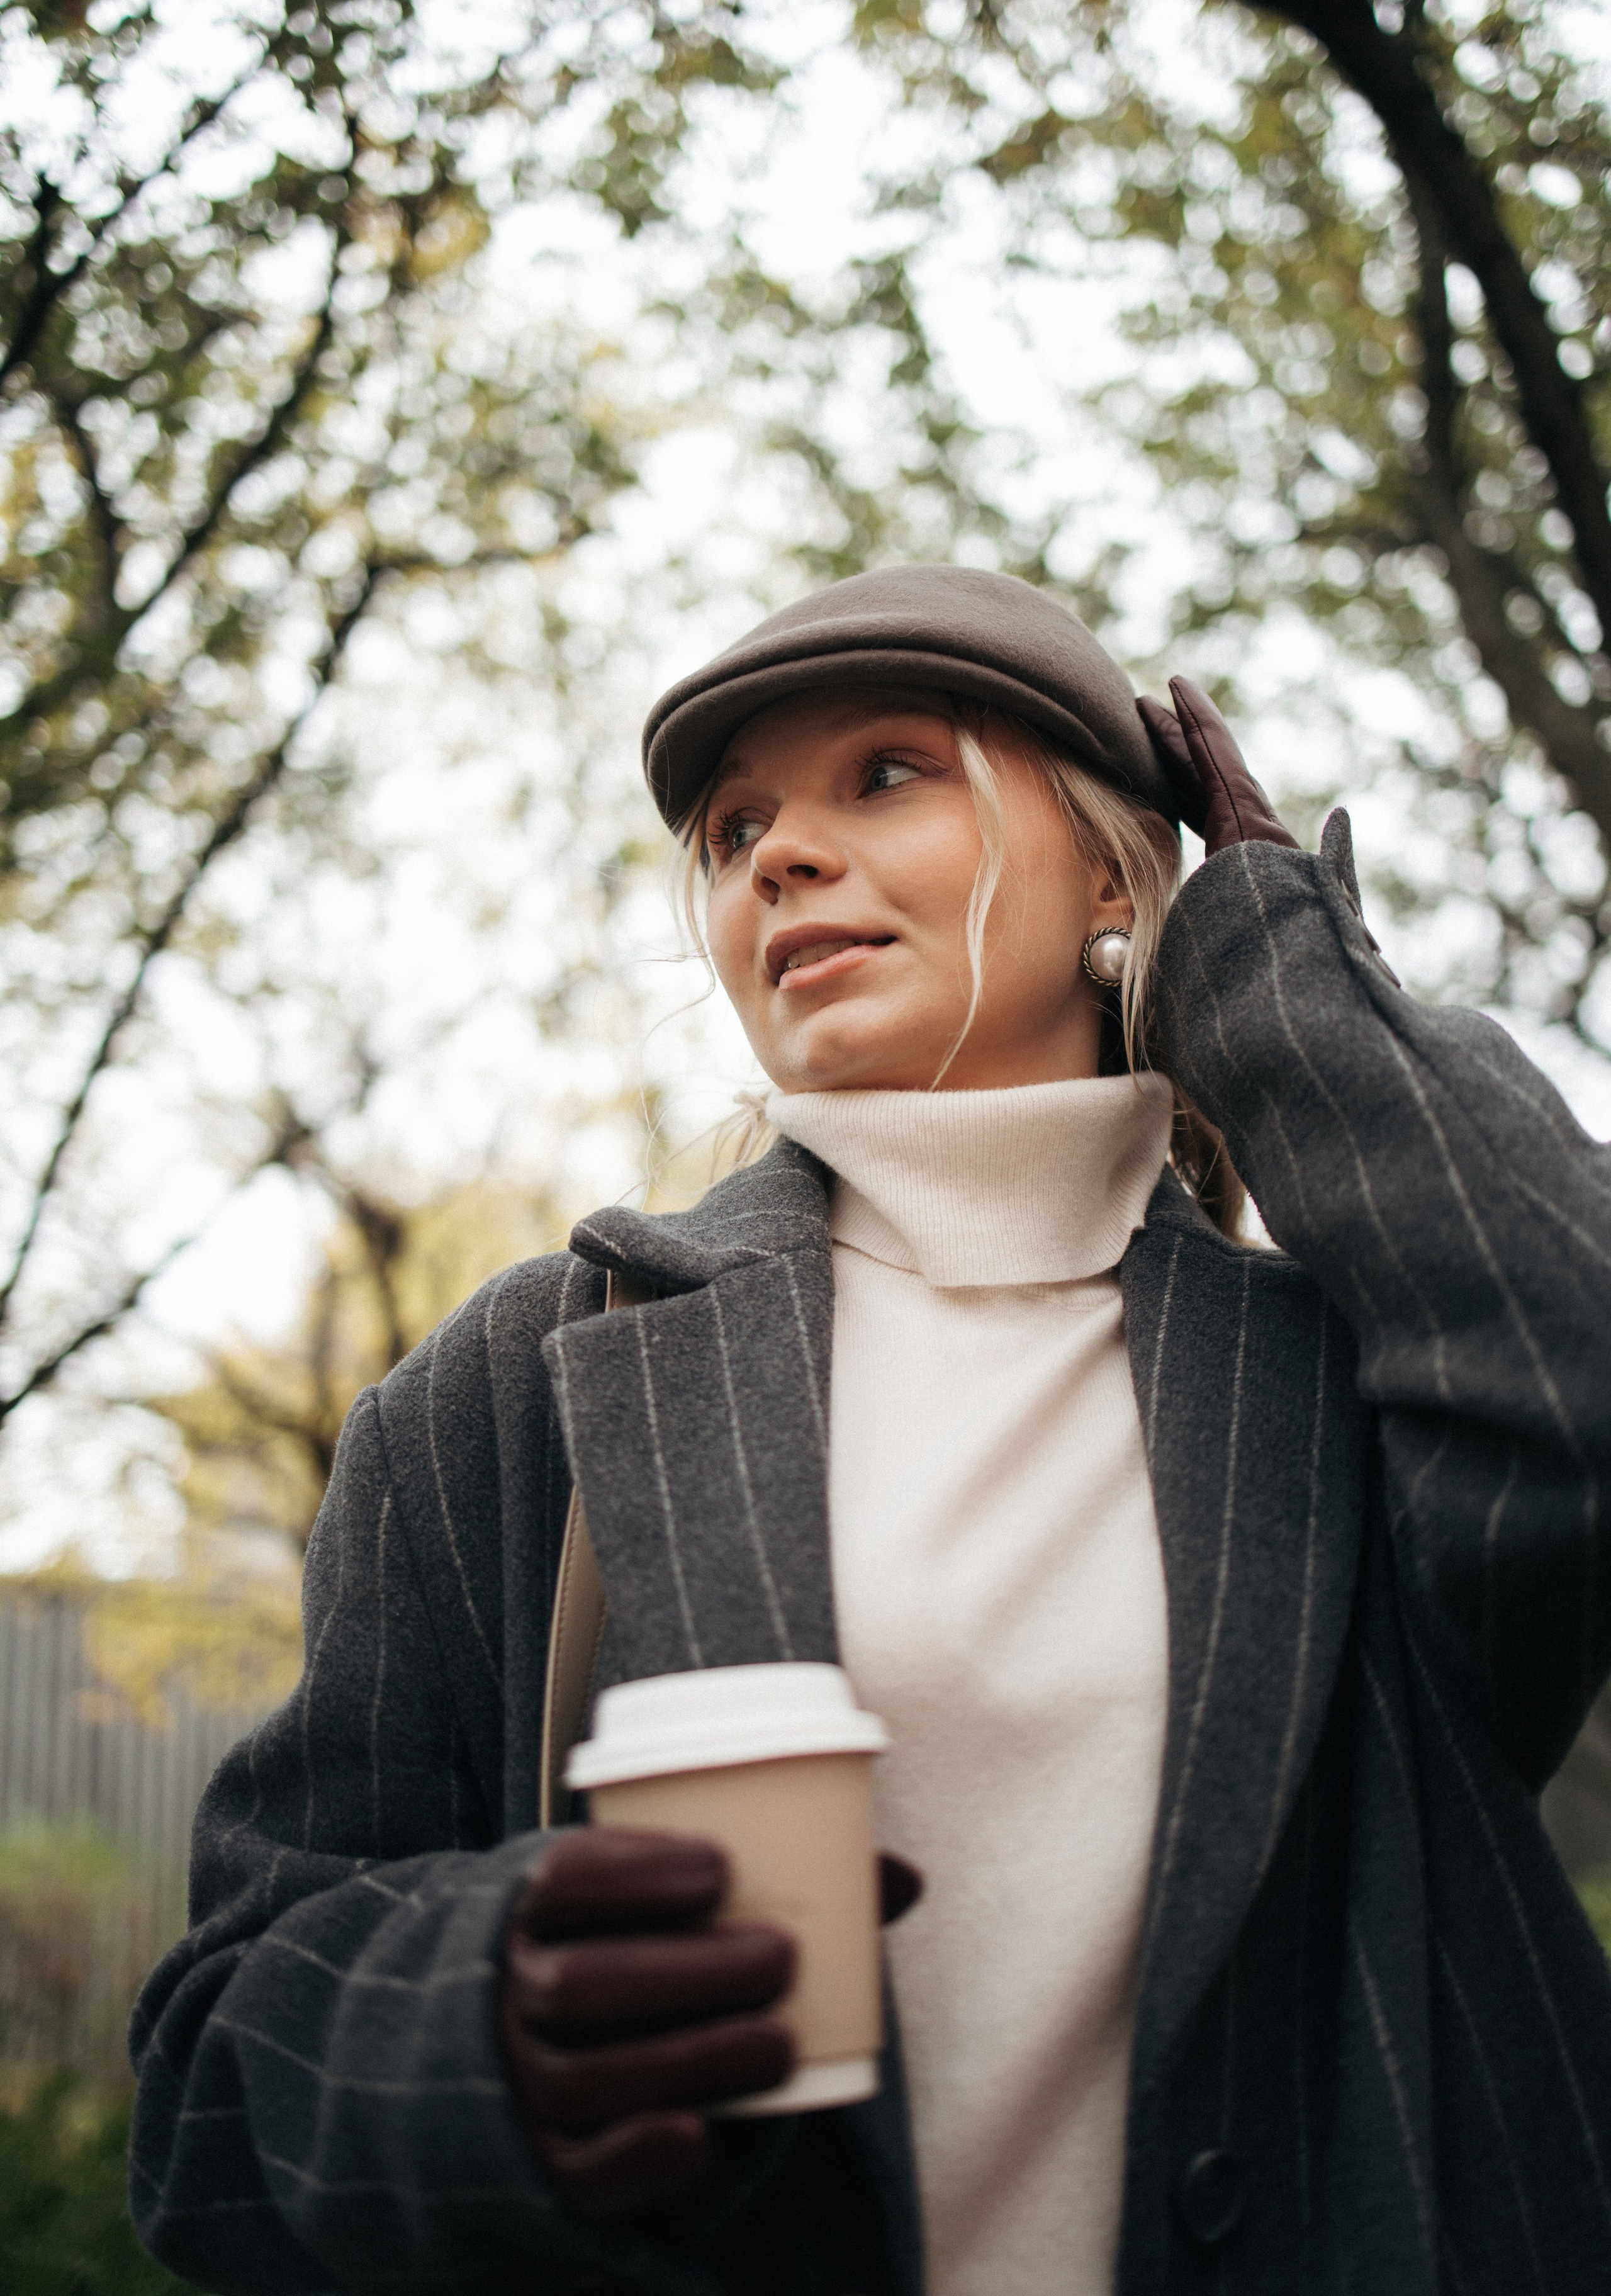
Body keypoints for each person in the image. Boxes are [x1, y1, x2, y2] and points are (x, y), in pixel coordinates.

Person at [130, 566, 1611, 2296]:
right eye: (736, 824)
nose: (776, 854)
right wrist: (479, 2032)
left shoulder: (1342, 1373)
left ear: (1112, 867)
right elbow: (218, 2073)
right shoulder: (519, 1380)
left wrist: (1274, 956)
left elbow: (1573, 1384)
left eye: (887, 773)